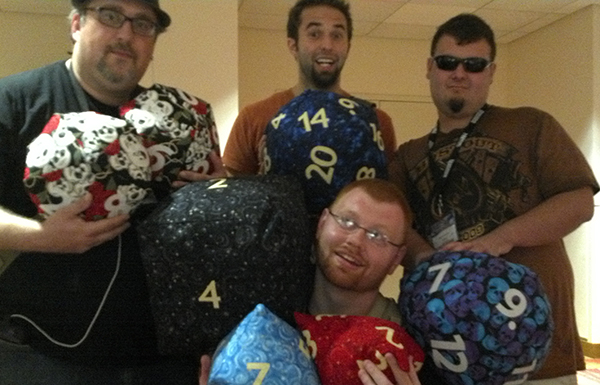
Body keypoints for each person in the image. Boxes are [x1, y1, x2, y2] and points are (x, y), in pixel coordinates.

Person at [0, 0, 224, 384]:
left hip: (163, 359)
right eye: (109, 15)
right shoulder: (15, 100)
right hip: (42, 356)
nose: (126, 33)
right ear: (75, 24)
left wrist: (218, 191)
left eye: (143, 24)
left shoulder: (179, 119)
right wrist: (41, 236)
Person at [389, 13, 599, 384]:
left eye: (474, 65)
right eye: (447, 62)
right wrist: (424, 257)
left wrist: (498, 240)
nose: (459, 73)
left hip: (535, 350)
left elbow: (579, 201)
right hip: (446, 352)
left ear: (491, 72)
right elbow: (392, 224)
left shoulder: (532, 124)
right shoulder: (408, 156)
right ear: (429, 68)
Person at [198, 179, 421, 385]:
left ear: (397, 259)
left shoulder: (405, 349)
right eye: (347, 221)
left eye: (377, 236)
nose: (355, 241)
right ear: (322, 223)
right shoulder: (259, 304)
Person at [222, 0, 397, 176]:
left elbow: (386, 195)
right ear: (293, 46)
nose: (327, 45)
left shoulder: (377, 122)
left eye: (337, 35)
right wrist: (262, 178)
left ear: (348, 47)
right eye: (315, 34)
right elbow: (231, 196)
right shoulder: (254, 118)